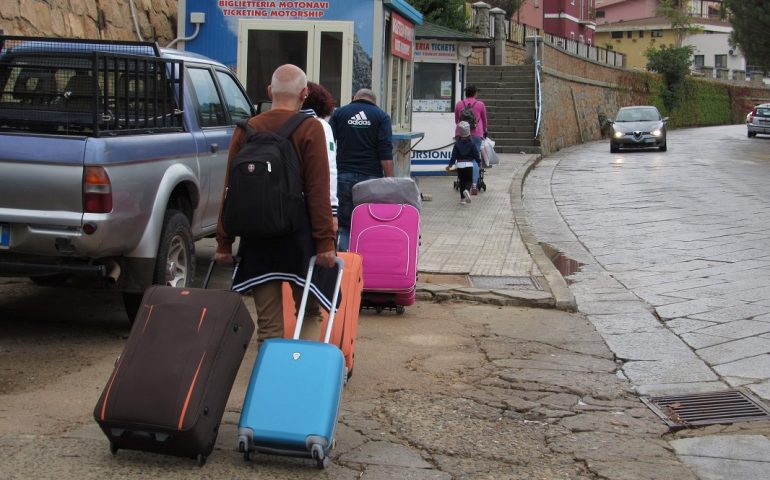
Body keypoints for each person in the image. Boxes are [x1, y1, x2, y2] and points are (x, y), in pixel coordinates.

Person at [215, 64, 336, 344]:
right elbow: (318, 190)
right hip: (299, 240)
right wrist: (325, 243)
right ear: (304, 93)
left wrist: (224, 243)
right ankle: (300, 378)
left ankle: (270, 383)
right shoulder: (311, 128)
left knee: (268, 325)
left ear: (270, 91)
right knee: (308, 312)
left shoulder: (247, 129)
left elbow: (229, 190)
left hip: (257, 238)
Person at [329, 88, 393, 251]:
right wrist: (391, 181)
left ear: (354, 98)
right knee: (368, 223)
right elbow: (385, 151)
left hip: (343, 175)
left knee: (344, 225)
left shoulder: (340, 114)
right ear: (374, 101)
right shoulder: (381, 116)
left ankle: (345, 265)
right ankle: (365, 262)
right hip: (371, 179)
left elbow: (328, 144)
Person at [454, 84, 488, 195]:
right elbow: (484, 120)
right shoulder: (480, 104)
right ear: (475, 93)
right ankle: (473, 184)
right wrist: (484, 131)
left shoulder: (459, 104)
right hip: (476, 134)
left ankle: (463, 183)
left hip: (461, 134)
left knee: (461, 158)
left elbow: (456, 121)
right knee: (474, 159)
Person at [446, 121, 480, 205]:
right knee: (469, 180)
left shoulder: (457, 144)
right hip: (469, 164)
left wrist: (450, 165)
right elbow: (476, 154)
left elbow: (453, 156)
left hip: (460, 165)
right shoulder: (472, 143)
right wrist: (479, 162)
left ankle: (462, 200)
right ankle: (467, 190)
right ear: (469, 132)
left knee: (462, 181)